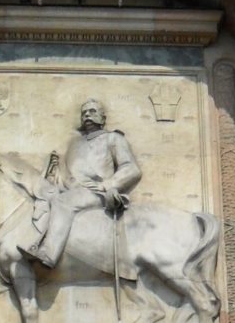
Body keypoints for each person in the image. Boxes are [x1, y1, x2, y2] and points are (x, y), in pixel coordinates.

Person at [19, 97, 142, 270]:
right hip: (74, 191)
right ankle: (33, 243)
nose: (87, 115)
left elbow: (131, 169)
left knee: (62, 202)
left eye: (92, 111)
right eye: (84, 113)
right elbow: (69, 176)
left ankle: (49, 253)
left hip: (97, 192)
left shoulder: (113, 138)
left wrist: (108, 185)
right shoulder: (74, 144)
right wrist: (55, 168)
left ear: (102, 118)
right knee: (44, 199)